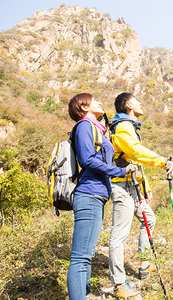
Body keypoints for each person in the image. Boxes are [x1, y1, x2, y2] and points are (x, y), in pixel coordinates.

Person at [66, 93, 137, 300]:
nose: (100, 102)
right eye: (94, 100)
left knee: (85, 256)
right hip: (88, 194)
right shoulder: (85, 126)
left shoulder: (97, 128)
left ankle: (84, 295)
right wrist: (121, 172)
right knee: (81, 257)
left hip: (96, 195)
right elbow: (88, 160)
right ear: (84, 106)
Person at [108, 92, 173, 300]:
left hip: (133, 185)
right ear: (129, 105)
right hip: (121, 186)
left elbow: (132, 160)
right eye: (137, 100)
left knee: (150, 220)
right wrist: (163, 161)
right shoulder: (123, 127)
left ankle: (145, 265)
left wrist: (144, 185)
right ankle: (118, 283)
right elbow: (136, 152)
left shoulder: (130, 126)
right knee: (118, 236)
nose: (141, 103)